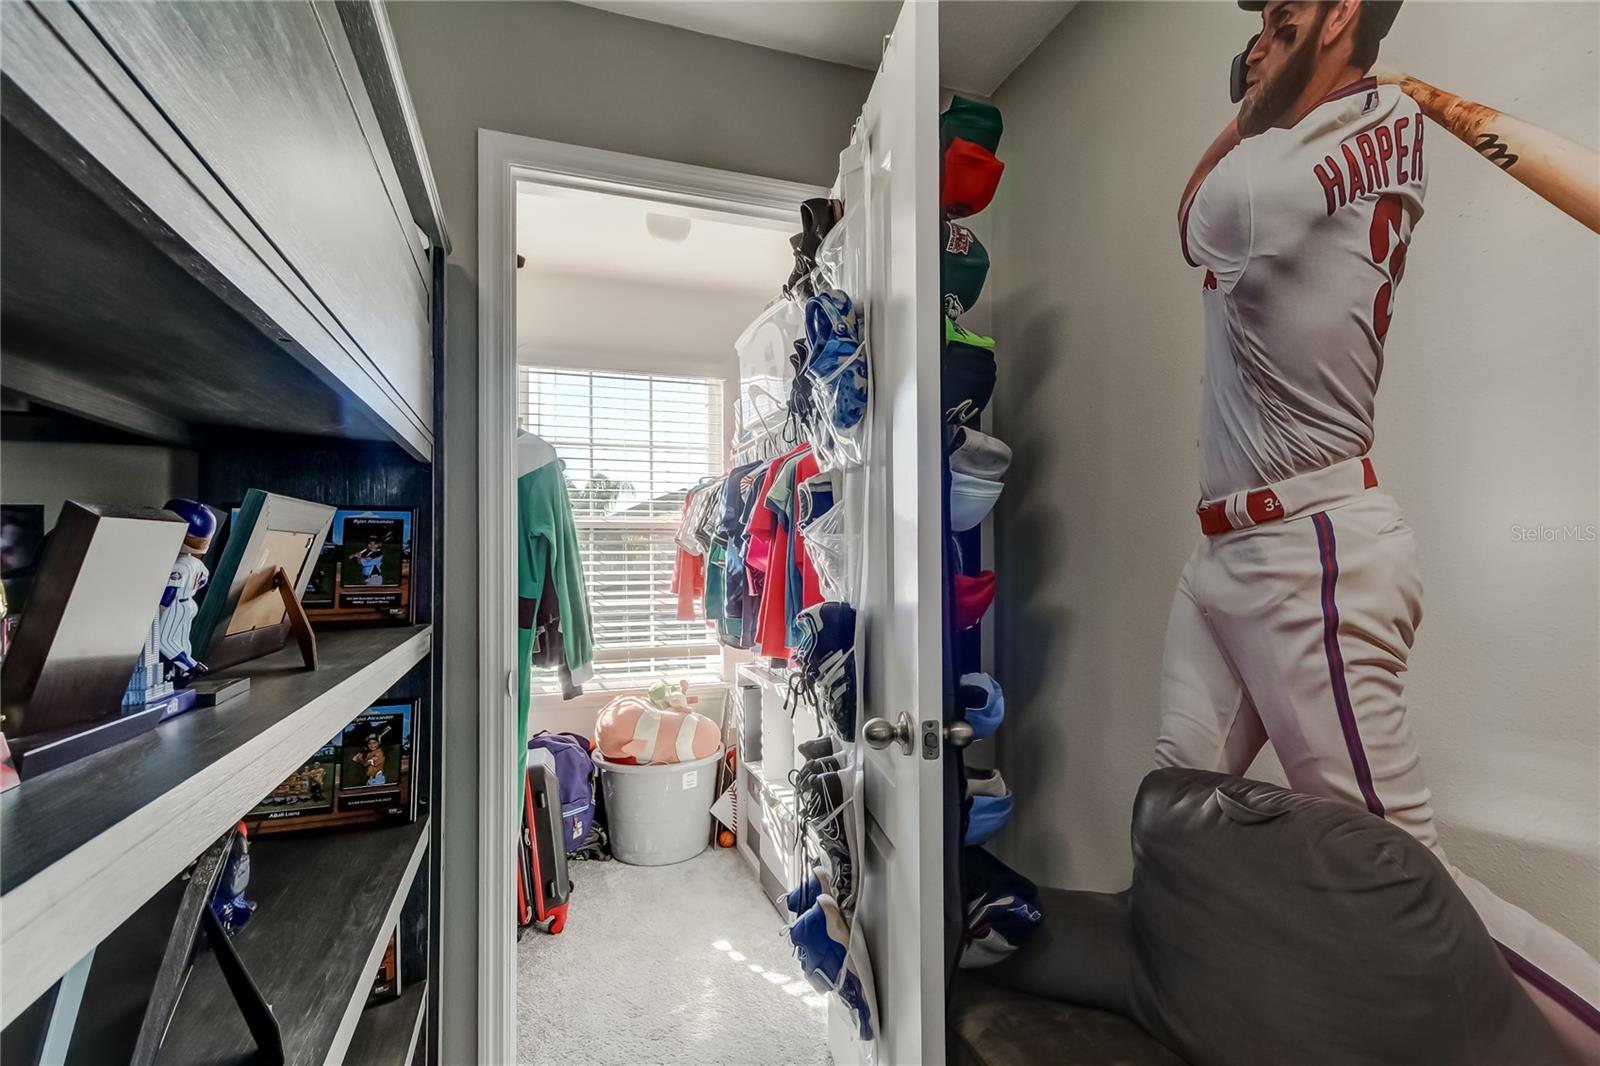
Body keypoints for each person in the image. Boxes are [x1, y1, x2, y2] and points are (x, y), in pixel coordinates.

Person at [1160, 0, 1600, 1055]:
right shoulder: (1367, 127)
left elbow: (1197, 218)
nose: (1254, 41)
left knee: (1404, 872)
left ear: (1339, 16)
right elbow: (1203, 211)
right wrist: (1282, 95)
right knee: (1177, 815)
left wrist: (1254, 110)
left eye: (1277, 16)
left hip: (1310, 553)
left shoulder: (1320, 150)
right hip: (1228, 553)